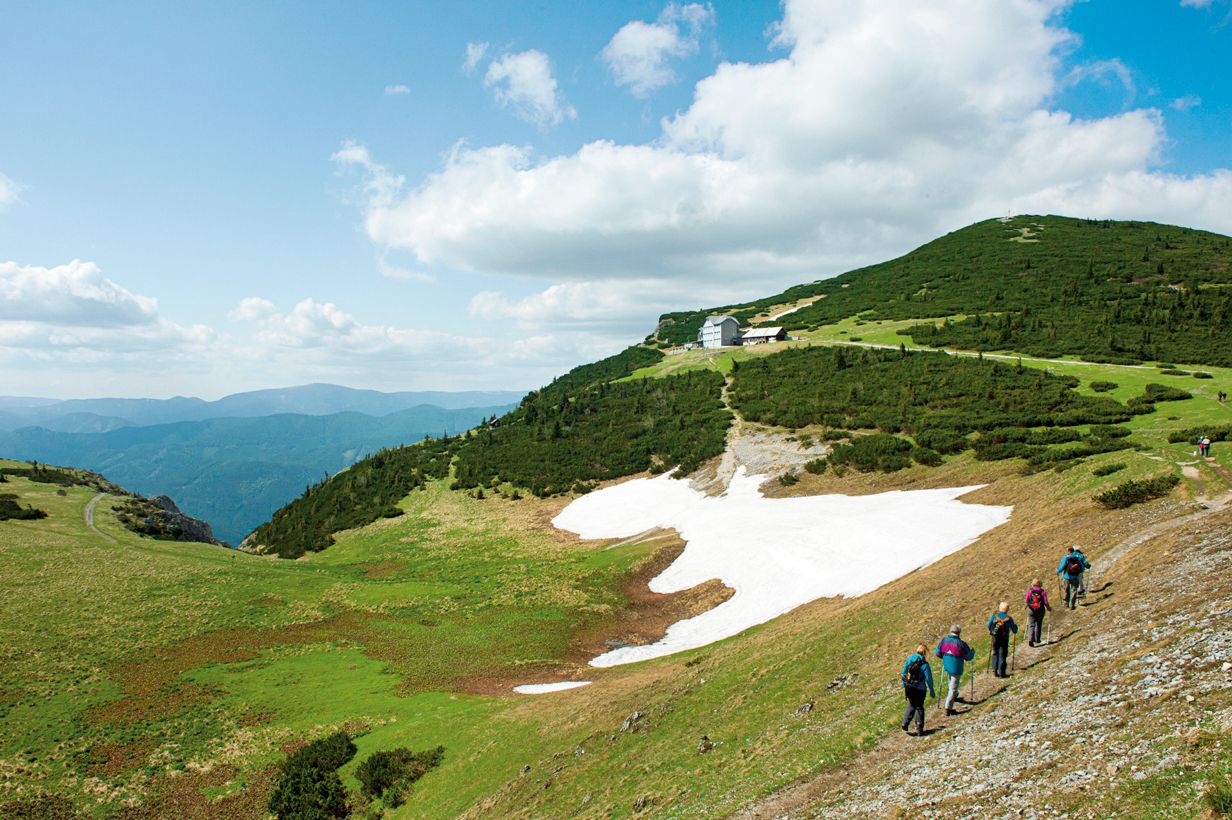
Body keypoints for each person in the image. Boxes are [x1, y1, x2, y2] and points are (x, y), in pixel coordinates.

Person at [935, 625, 975, 715]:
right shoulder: (961, 644)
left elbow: (937, 652)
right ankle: (948, 708)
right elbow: (968, 657)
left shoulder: (944, 640)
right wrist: (972, 652)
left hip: (946, 665)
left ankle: (954, 697)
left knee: (951, 683)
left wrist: (944, 656)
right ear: (959, 632)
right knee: (953, 688)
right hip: (956, 668)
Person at [900, 644, 936, 736]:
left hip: (910, 688)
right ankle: (919, 729)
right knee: (919, 707)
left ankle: (905, 723)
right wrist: (931, 689)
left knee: (911, 704)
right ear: (925, 653)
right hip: (921, 689)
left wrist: (905, 685)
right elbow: (929, 678)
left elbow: (903, 673)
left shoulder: (909, 659)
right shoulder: (925, 664)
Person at [986, 602, 1019, 677]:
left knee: (995, 652)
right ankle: (1002, 672)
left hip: (995, 637)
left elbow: (988, 625)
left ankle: (994, 668)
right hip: (1004, 638)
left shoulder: (994, 616)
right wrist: (1015, 627)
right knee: (1002, 654)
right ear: (1007, 609)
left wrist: (991, 630)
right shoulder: (1009, 618)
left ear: (1000, 608)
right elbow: (1014, 630)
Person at [1025, 579, 1052, 646]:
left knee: (1031, 624)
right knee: (1038, 624)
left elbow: (1026, 600)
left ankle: (1031, 639)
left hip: (1031, 610)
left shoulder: (1030, 591)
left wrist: (1027, 606)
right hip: (1040, 610)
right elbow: (1045, 602)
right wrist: (1048, 608)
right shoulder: (1042, 591)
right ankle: (1037, 639)